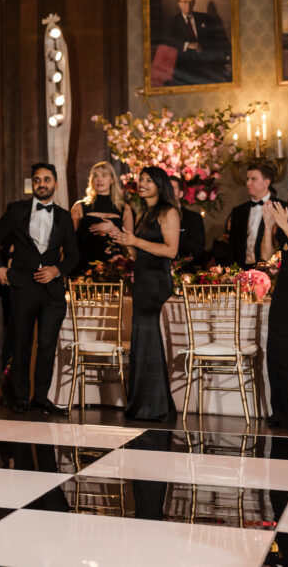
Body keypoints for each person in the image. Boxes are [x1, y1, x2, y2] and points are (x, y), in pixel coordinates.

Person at [0, 163, 78, 415]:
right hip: (22, 286)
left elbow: (73, 255)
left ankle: (40, 397)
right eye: (37, 180)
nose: (41, 183)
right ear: (32, 184)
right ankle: (20, 397)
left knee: (47, 345)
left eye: (46, 179)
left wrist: (56, 270)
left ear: (55, 184)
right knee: (21, 343)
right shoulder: (16, 210)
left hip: (52, 292)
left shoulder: (64, 216)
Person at [110, 167, 180, 422]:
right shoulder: (144, 213)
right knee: (142, 341)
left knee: (150, 340)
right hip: (142, 280)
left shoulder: (168, 211)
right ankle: (144, 404)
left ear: (160, 185)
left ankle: (156, 407)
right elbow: (139, 252)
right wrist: (125, 241)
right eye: (141, 179)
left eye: (149, 180)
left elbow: (171, 251)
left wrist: (136, 242)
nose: (142, 183)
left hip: (157, 282)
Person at [263, 174, 288, 429]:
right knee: (277, 349)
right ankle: (282, 411)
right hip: (285, 288)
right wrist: (268, 225)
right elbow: (266, 255)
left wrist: (284, 225)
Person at [69, 161, 133, 276]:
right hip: (83, 268)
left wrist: (114, 229)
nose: (99, 179)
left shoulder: (125, 208)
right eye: (95, 176)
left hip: (114, 270)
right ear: (91, 180)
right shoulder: (79, 207)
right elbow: (69, 241)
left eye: (104, 175)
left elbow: (130, 245)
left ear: (112, 179)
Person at [162, 0, 231, 86]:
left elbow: (215, 40)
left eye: (191, 2)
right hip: (184, 63)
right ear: (179, 4)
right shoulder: (173, 21)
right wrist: (187, 45)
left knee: (222, 80)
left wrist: (225, 60)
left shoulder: (204, 18)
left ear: (194, 3)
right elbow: (167, 39)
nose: (188, 5)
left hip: (206, 61)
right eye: (185, 2)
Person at [227, 162, 288, 269]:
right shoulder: (238, 211)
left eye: (253, 179)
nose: (248, 183)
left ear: (266, 182)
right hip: (242, 269)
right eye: (247, 179)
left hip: (271, 270)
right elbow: (232, 247)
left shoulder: (282, 208)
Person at [169, 175, 206, 269]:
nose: (168, 191)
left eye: (172, 188)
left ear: (181, 194)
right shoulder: (155, 217)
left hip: (185, 272)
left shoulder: (194, 218)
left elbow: (197, 249)